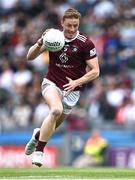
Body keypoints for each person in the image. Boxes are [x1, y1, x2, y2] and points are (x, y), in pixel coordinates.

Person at [25, 8, 100, 167]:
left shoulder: (85, 43)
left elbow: (95, 71)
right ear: (62, 23)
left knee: (53, 126)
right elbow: (29, 57)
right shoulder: (54, 37)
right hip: (51, 82)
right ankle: (39, 151)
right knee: (55, 110)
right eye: (69, 25)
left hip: (72, 90)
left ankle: (38, 135)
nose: (72, 29)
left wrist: (76, 82)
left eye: (75, 25)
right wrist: (40, 41)